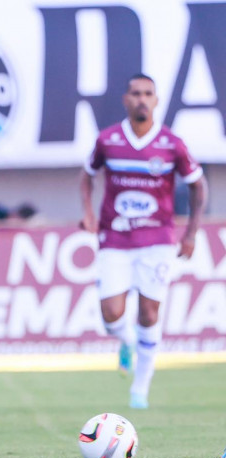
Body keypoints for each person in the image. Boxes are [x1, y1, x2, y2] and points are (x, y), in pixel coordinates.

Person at [79, 73, 206, 411]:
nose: (141, 99)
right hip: (116, 236)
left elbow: (198, 185)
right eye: (135, 93)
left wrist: (191, 232)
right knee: (111, 314)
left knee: (149, 312)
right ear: (126, 99)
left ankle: (140, 390)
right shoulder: (108, 140)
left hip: (157, 239)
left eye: (148, 93)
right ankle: (126, 342)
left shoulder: (171, 144)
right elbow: (87, 177)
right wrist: (88, 213)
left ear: (156, 100)